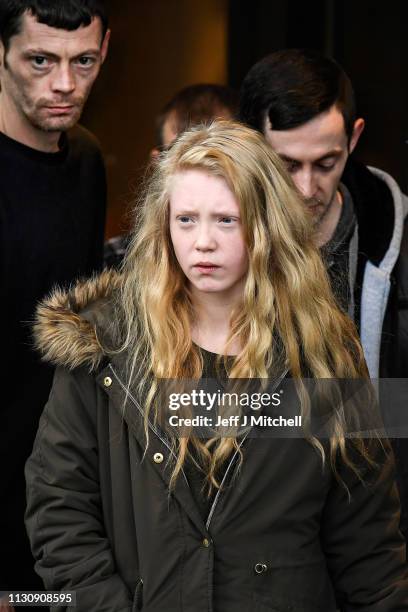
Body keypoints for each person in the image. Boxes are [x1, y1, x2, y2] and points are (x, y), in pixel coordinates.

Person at [25, 122, 408, 611]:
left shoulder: (323, 351)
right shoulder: (105, 348)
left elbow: (367, 538)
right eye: (186, 219)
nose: (202, 242)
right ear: (163, 224)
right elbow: (59, 509)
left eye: (226, 220)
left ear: (266, 224)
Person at [0, 0, 110, 600]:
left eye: (84, 61)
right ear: (2, 53)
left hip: (58, 490)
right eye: (40, 60)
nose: (65, 84)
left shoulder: (88, 159)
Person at [239, 48, 408, 380]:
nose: (305, 188)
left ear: (354, 138)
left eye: (325, 164)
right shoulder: (210, 238)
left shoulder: (401, 247)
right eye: (287, 165)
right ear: (251, 146)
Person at [104, 83, 239, 269]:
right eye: (178, 154)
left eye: (216, 154)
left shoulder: (276, 267)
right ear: (156, 164)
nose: (198, 171)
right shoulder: (116, 262)